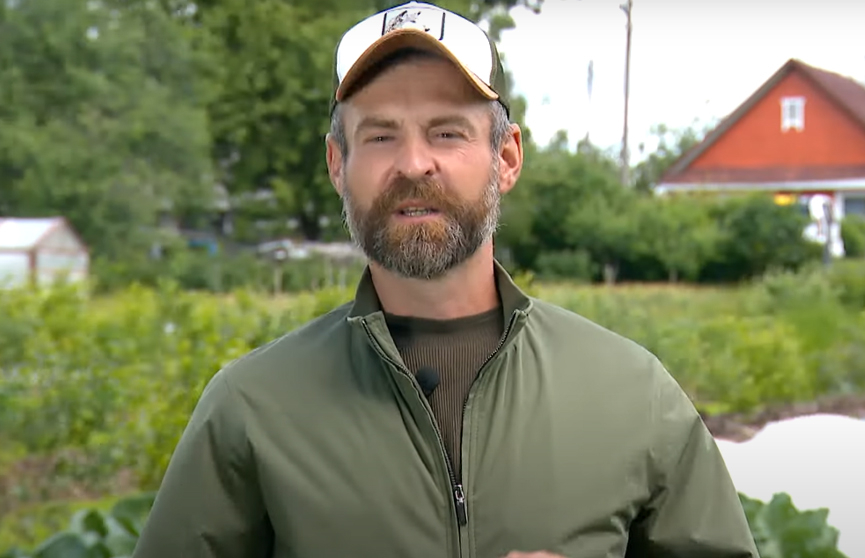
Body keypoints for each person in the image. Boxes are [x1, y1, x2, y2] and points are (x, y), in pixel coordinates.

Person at [132, 2, 760, 557]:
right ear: (337, 163)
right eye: (380, 135)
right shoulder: (251, 408)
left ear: (506, 157)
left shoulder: (633, 395)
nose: (413, 163)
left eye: (447, 133)